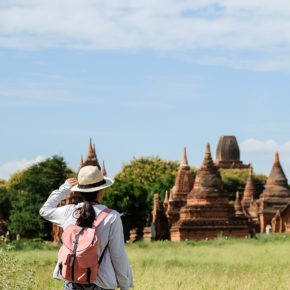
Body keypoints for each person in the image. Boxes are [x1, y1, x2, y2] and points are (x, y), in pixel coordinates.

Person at [39, 165, 133, 290]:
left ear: (80, 191)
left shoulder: (69, 212)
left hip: (71, 282)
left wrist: (65, 188)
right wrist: (125, 286)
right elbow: (118, 256)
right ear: (101, 190)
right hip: (101, 283)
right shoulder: (112, 217)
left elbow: (44, 210)